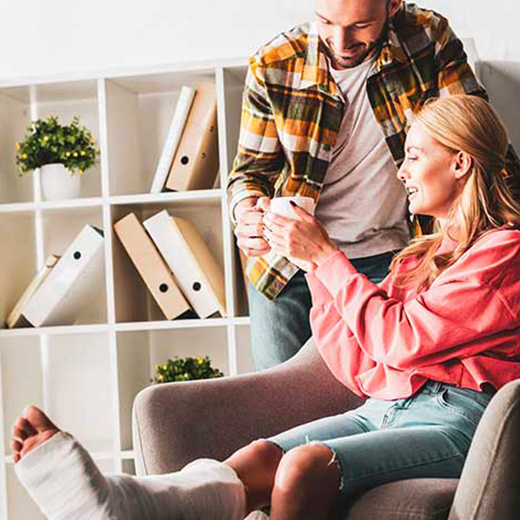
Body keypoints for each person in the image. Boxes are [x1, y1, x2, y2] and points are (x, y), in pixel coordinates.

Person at [12, 95, 520, 520]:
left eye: (414, 155)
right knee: (258, 458)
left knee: (301, 467)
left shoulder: (505, 250)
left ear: (460, 162)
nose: (402, 170)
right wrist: (310, 266)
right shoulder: (417, 258)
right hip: (382, 408)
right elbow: (363, 366)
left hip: (457, 423)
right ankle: (122, 505)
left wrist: (327, 255)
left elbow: (400, 339)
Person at [228, 0, 520, 371]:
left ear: (393, 4)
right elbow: (250, 172)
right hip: (290, 264)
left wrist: (500, 233)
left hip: (395, 258)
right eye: (326, 22)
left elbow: (473, 140)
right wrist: (247, 210)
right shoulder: (273, 64)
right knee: (283, 398)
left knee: (385, 394)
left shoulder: (426, 38)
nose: (340, 40)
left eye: (360, 26)